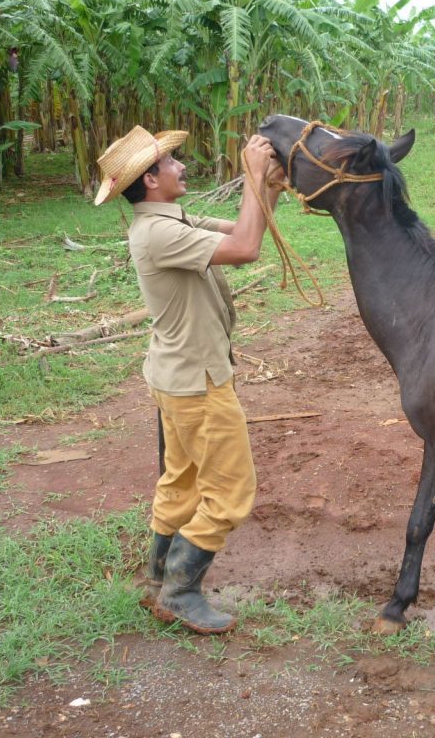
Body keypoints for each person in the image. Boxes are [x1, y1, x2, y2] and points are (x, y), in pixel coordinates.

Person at [94, 125, 286, 634]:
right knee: (231, 491)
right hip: (198, 383)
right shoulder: (160, 233)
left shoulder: (168, 219)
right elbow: (246, 247)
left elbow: (247, 229)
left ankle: (158, 581)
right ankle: (181, 593)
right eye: (173, 162)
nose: (183, 167)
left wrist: (266, 185)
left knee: (180, 482)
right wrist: (250, 171)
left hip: (176, 377)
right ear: (151, 180)